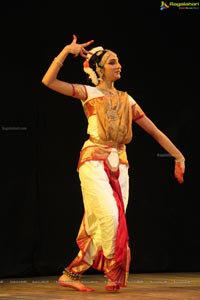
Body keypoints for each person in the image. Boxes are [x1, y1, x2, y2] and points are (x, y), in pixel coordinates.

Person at [41, 34, 185, 292]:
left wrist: (179, 155)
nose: (119, 66)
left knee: (106, 220)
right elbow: (48, 81)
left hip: (120, 162)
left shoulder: (127, 100)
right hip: (93, 160)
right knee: (109, 216)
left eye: (118, 62)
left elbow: (154, 130)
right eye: (112, 62)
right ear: (99, 69)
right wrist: (65, 51)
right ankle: (113, 268)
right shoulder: (89, 93)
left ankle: (71, 274)